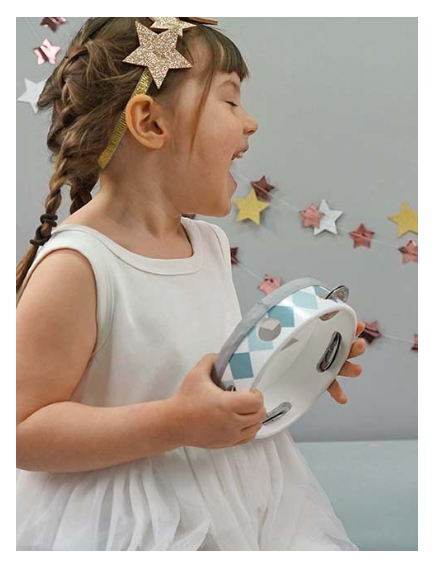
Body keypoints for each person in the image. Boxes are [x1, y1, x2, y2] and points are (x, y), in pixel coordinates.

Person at [16, 17, 366, 551]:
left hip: (240, 496)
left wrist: (298, 367)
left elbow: (208, 371)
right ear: (151, 123)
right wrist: (174, 424)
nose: (250, 122)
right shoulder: (79, 265)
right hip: (132, 524)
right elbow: (20, 430)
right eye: (229, 100)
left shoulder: (207, 243)